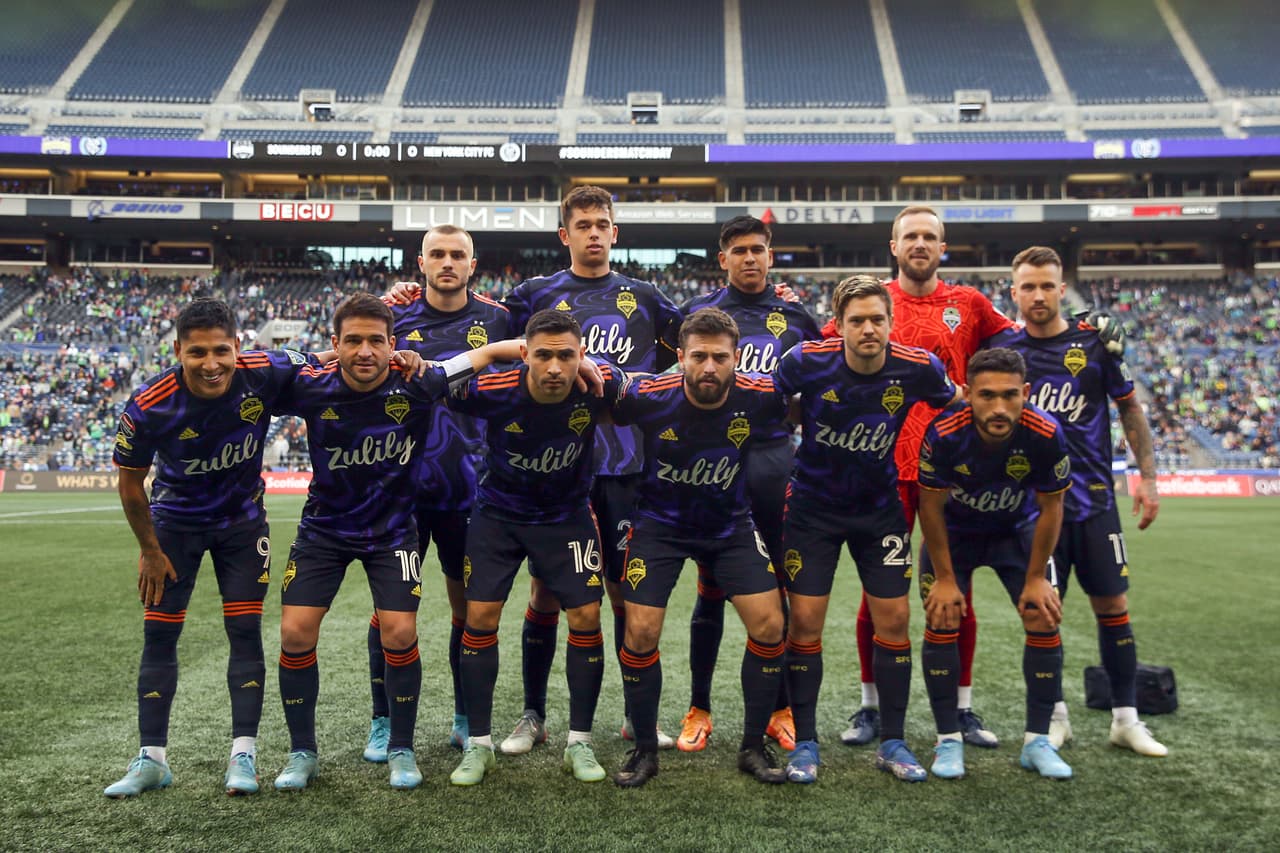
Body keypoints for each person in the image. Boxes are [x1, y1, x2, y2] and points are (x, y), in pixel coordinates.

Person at [269, 293, 531, 792]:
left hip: (392, 532)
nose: (364, 351)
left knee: (398, 633)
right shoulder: (310, 386)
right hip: (324, 529)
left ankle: (401, 749)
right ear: (334, 344)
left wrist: (524, 347)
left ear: (393, 344)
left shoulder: (418, 381)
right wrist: (323, 360)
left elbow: (477, 357)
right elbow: (257, 376)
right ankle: (302, 752)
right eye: (352, 342)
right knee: (296, 634)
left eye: (375, 341)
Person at [105, 298, 310, 797]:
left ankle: (244, 755)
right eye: (197, 352)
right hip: (174, 527)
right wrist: (150, 550)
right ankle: (152, 759)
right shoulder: (150, 404)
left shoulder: (265, 371)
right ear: (178, 350)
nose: (211, 363)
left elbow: (329, 362)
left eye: (222, 350)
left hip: (242, 526)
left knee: (244, 632)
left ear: (239, 347)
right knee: (159, 637)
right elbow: (131, 485)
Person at [826, 207, 1014, 749]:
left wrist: (1079, 332)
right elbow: (819, 351)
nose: (920, 243)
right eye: (911, 235)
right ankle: (870, 707)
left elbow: (1020, 347)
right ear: (893, 245)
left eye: (930, 236)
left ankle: (961, 708)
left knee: (956, 592)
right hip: (880, 470)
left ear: (943, 246)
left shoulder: (970, 305)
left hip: (952, 474)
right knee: (877, 594)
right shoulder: (872, 305)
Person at [773, 276, 957, 784]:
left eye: (878, 319)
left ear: (891, 323)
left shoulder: (918, 367)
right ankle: (806, 744)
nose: (869, 328)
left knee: (894, 621)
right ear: (840, 327)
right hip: (813, 510)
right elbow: (764, 404)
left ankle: (894, 741)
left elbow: (957, 406)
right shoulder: (807, 362)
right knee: (805, 623)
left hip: (880, 511)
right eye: (857, 320)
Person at [608, 308, 790, 788]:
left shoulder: (762, 397)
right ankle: (645, 748)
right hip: (660, 526)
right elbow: (601, 388)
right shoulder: (650, 395)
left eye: (719, 357)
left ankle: (753, 744)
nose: (709, 367)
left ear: (736, 359)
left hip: (730, 526)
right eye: (699, 357)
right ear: (681, 357)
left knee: (770, 625)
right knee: (640, 630)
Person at [996, 246, 1166, 757]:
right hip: (1031, 509)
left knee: (1113, 606)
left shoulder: (1096, 344)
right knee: (1042, 614)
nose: (1039, 295)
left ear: (1062, 286)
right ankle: (1055, 719)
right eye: (1028, 286)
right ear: (1015, 292)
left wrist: (1149, 480)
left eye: (1048, 285)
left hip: (1094, 503)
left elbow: (1130, 410)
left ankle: (1125, 719)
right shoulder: (1004, 350)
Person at [446, 310, 623, 786]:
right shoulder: (496, 390)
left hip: (566, 517)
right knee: (479, 618)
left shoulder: (598, 386)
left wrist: (600, 366)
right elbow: (440, 377)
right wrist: (488, 351)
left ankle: (579, 742)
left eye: (566, 356)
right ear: (524, 355)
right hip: (497, 518)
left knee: (586, 617)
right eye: (542, 355)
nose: (554, 368)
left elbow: (632, 382)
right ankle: (479, 747)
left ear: (581, 356)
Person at [362, 224, 511, 763]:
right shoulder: (392, 319)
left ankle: (465, 716)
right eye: (437, 255)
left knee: (467, 611)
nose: (447, 263)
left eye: (458, 255)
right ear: (419, 262)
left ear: (474, 264)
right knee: (390, 612)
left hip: (471, 489)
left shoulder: (498, 320)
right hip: (399, 489)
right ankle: (382, 721)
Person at [676, 215, 820, 754]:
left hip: (775, 463)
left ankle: (779, 707)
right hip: (716, 465)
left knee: (777, 591)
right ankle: (699, 706)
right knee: (710, 590)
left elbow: (817, 391)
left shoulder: (796, 316)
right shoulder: (699, 315)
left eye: (758, 249)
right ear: (724, 258)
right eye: (739, 250)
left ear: (770, 253)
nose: (750, 258)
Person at [916, 348, 1074, 780]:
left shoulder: (1045, 432)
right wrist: (945, 579)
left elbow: (1052, 506)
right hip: (955, 535)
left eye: (1009, 395)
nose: (999, 407)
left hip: (1016, 533)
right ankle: (948, 740)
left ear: (1025, 393)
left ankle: (1036, 742)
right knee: (942, 617)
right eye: (987, 396)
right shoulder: (945, 432)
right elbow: (929, 507)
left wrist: (1038, 576)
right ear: (967, 393)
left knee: (1043, 616)